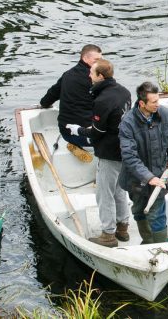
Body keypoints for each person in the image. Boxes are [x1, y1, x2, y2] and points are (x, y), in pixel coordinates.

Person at [66, 59, 133, 247]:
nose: (89, 75)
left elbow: (98, 133)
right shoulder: (124, 92)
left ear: (100, 76)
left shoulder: (103, 100)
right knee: (119, 189)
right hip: (125, 149)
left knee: (104, 194)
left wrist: (78, 130)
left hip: (109, 153)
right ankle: (123, 227)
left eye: (92, 73)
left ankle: (108, 234)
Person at [118, 81, 168, 244]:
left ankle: (161, 245)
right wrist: (148, 177)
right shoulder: (127, 123)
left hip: (160, 175)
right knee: (139, 210)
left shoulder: (166, 114)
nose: (157, 105)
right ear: (142, 103)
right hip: (136, 179)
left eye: (158, 100)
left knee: (157, 213)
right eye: (153, 102)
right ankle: (148, 241)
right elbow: (129, 156)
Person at [40, 44, 102, 154]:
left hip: (66, 133)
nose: (100, 62)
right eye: (96, 59)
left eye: (101, 59)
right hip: (85, 134)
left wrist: (44, 104)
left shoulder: (67, 75)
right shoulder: (96, 79)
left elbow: (50, 96)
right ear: (85, 58)